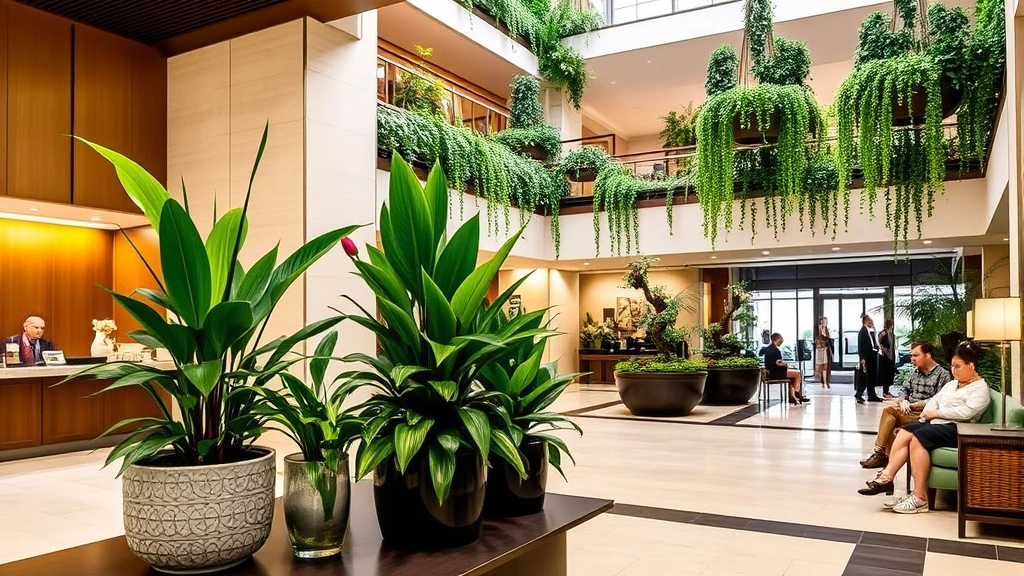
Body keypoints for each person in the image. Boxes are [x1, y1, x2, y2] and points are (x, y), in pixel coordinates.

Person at [857, 342, 990, 513]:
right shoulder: (954, 384)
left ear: (971, 366)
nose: (953, 370)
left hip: (958, 428)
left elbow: (967, 413)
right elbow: (935, 399)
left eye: (957, 366)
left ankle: (920, 498)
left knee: (919, 438)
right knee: (905, 431)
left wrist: (937, 413)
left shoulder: (979, 388)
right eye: (952, 366)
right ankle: (886, 477)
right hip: (938, 422)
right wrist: (928, 412)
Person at [859, 341, 951, 469]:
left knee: (889, 412)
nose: (912, 359)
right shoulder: (914, 372)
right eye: (911, 356)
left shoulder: (943, 375)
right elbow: (903, 390)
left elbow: (939, 399)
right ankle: (887, 469)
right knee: (892, 426)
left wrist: (915, 405)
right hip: (907, 410)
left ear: (928, 355)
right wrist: (903, 400)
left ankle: (880, 455)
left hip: (925, 413)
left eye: (916, 355)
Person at [763, 332, 810, 405]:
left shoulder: (768, 349)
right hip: (775, 373)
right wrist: (785, 364)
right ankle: (797, 393)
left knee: (792, 378)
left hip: (771, 372)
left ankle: (793, 396)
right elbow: (778, 363)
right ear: (778, 339)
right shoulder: (775, 350)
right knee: (797, 374)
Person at [856, 315, 881, 403]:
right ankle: (859, 394)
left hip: (872, 356)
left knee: (872, 376)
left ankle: (872, 395)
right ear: (865, 322)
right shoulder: (863, 331)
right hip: (866, 357)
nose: (872, 323)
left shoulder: (870, 331)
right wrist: (862, 358)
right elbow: (861, 346)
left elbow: (873, 342)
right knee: (864, 376)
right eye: (870, 322)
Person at [877, 318, 897, 399]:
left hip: (889, 356)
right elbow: (883, 345)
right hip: (885, 357)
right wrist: (887, 354)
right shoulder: (884, 333)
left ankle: (887, 391)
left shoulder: (889, 333)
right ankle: (885, 392)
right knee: (886, 374)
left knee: (889, 374)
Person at [814, 316, 833, 389]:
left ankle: (827, 382)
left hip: (826, 349)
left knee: (827, 366)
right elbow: (817, 339)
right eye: (822, 322)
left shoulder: (828, 330)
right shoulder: (818, 330)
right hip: (820, 349)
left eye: (825, 322)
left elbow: (830, 339)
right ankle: (822, 381)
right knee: (821, 366)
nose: (823, 324)